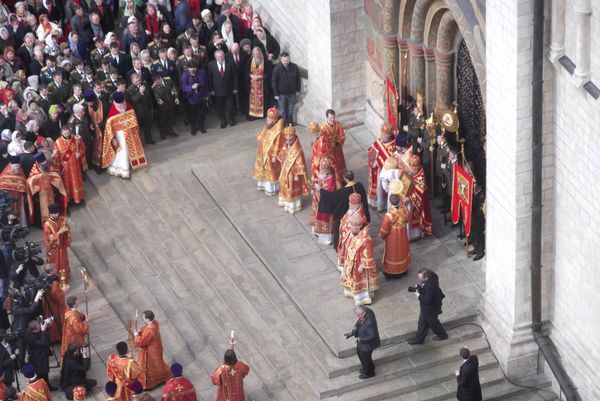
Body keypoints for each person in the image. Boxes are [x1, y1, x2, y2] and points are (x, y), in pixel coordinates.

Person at [318, 170, 370, 249]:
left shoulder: (343, 192)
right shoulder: (360, 185)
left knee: (344, 230)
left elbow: (332, 198)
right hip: (360, 213)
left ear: (345, 179)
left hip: (347, 215)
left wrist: (321, 191)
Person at [101, 91, 148, 178]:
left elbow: (133, 117)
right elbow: (109, 127)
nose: (122, 106)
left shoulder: (127, 104)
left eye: (123, 103)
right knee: (122, 150)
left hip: (129, 132)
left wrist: (133, 128)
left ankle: (129, 163)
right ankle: (123, 170)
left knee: (129, 149)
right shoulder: (112, 110)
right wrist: (113, 138)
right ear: (115, 102)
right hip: (119, 135)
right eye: (120, 104)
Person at [341, 213, 378, 305]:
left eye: (353, 227)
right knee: (350, 279)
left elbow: (368, 254)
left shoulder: (365, 239)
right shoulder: (351, 233)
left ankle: (362, 298)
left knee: (360, 281)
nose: (351, 228)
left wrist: (362, 265)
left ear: (359, 227)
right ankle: (350, 292)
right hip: (350, 261)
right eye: (351, 226)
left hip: (359, 264)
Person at [407, 268, 448, 345]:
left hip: (430, 309)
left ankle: (442, 335)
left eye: (420, 278)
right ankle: (419, 339)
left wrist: (418, 295)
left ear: (426, 278)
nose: (419, 279)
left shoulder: (430, 286)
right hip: (429, 308)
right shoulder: (432, 275)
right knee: (422, 323)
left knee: (433, 323)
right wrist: (420, 287)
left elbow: (427, 300)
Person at [134, 310, 170, 390]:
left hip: (150, 351)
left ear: (147, 319)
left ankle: (151, 383)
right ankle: (162, 376)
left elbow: (141, 342)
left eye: (143, 318)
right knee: (158, 363)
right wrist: (140, 330)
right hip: (156, 347)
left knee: (150, 366)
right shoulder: (155, 323)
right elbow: (145, 327)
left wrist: (136, 335)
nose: (143, 319)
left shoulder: (150, 330)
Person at [276, 125, 309, 214]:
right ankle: (285, 202)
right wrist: (283, 159)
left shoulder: (298, 150)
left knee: (291, 188)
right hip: (285, 170)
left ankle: (293, 206)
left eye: (290, 140)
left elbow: (300, 163)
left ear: (294, 138)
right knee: (284, 186)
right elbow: (282, 154)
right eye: (286, 139)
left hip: (294, 174)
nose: (288, 141)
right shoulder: (286, 145)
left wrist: (297, 174)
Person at [252, 107, 284, 196]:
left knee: (270, 170)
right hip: (263, 151)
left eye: (268, 118)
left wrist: (274, 156)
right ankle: (263, 184)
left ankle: (272, 188)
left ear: (273, 120)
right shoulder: (267, 126)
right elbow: (261, 136)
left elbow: (279, 145)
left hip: (270, 155)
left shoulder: (279, 130)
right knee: (262, 168)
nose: (266, 119)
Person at [379, 194, 411, 278]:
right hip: (403, 235)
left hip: (392, 237)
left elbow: (384, 230)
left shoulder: (388, 215)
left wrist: (382, 235)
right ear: (399, 201)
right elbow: (407, 220)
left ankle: (392, 272)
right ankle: (403, 269)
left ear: (390, 202)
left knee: (393, 254)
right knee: (402, 250)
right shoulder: (404, 209)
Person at [53, 126, 86, 204]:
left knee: (77, 181)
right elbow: (56, 155)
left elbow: (82, 147)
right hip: (66, 168)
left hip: (75, 166)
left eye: (68, 132)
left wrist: (79, 153)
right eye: (65, 133)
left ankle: (78, 197)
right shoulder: (58, 142)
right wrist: (55, 154)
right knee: (68, 183)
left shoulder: (75, 138)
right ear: (62, 133)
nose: (67, 134)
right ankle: (70, 199)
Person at [367, 122, 396, 212]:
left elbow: (391, 161)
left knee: (383, 188)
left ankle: (382, 205)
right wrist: (373, 162)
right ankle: (375, 203)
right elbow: (371, 152)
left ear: (389, 136)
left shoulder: (393, 145)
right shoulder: (379, 142)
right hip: (376, 170)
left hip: (385, 172)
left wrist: (379, 162)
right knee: (377, 187)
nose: (382, 138)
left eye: (385, 136)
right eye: (382, 135)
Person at [346, 306, 380, 379]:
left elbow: (372, 336)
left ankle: (369, 372)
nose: (357, 316)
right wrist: (352, 333)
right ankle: (367, 368)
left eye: (358, 315)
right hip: (362, 342)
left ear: (363, 313)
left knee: (365, 358)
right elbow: (359, 324)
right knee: (360, 354)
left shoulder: (369, 323)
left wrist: (361, 339)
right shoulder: (366, 311)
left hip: (367, 345)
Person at [337, 193, 368, 273]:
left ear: (359, 205)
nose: (351, 206)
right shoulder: (352, 210)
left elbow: (359, 228)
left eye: (353, 205)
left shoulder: (360, 215)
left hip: (352, 238)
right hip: (345, 236)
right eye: (350, 204)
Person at [207, 49, 238, 129]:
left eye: (221, 56)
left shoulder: (230, 63)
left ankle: (231, 120)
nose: (220, 58)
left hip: (229, 89)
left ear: (224, 55)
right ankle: (223, 121)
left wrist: (235, 88)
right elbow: (209, 78)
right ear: (215, 57)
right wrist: (211, 90)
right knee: (220, 107)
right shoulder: (211, 64)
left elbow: (235, 76)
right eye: (218, 57)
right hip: (217, 91)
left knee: (230, 106)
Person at [405, 153, 433, 240]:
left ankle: (416, 234)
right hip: (410, 200)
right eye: (410, 168)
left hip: (417, 203)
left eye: (412, 169)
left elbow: (419, 193)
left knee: (415, 217)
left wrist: (408, 198)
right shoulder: (413, 172)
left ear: (416, 168)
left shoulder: (421, 178)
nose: (410, 171)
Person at [310, 158, 336, 246]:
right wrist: (314, 188)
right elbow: (318, 181)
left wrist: (319, 189)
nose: (320, 174)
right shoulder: (323, 176)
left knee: (325, 220)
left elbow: (328, 195)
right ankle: (317, 231)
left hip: (325, 205)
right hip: (318, 203)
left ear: (327, 172)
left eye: (322, 173)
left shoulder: (331, 180)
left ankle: (326, 240)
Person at [24, 320, 57, 390]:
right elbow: (42, 342)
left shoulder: (34, 332)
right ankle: (42, 389)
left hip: (42, 356)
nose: (40, 328)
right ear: (34, 329)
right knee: (41, 374)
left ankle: (48, 386)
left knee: (45, 372)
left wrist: (47, 327)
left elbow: (43, 336)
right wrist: (43, 331)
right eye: (39, 328)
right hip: (38, 358)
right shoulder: (30, 337)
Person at [43, 203, 72, 281]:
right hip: (54, 248)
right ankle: (56, 278)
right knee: (56, 263)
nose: (56, 215)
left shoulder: (61, 219)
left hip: (62, 245)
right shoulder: (47, 224)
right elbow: (48, 238)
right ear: (51, 213)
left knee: (64, 261)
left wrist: (67, 229)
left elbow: (67, 228)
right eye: (54, 213)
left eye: (57, 213)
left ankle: (65, 277)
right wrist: (59, 232)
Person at [179, 61, 208, 135]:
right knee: (192, 114)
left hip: (201, 97)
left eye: (194, 67)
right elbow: (183, 87)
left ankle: (201, 126)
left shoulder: (202, 72)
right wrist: (191, 87)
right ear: (188, 68)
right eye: (191, 68)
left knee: (201, 113)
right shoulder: (184, 75)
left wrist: (206, 95)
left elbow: (205, 85)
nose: (193, 69)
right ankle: (193, 127)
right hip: (190, 98)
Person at [271, 52, 300, 126]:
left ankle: (290, 122)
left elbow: (298, 79)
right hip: (281, 94)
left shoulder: (294, 67)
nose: (286, 62)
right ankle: (283, 124)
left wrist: (298, 90)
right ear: (281, 60)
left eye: (287, 60)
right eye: (284, 60)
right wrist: (276, 94)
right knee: (282, 111)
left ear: (289, 59)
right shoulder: (277, 69)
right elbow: (274, 82)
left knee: (290, 110)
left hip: (292, 92)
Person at [126, 73, 156, 145]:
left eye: (138, 78)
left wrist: (151, 107)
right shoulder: (130, 89)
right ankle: (138, 143)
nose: (138, 79)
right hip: (138, 111)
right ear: (132, 80)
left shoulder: (144, 84)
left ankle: (149, 139)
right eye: (136, 78)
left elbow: (149, 97)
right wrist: (140, 92)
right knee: (138, 128)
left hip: (147, 109)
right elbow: (134, 100)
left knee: (148, 126)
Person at [321, 109, 346, 187]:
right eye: (331, 118)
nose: (333, 119)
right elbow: (323, 140)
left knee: (340, 164)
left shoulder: (338, 124)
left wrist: (337, 143)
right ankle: (332, 180)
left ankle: (341, 179)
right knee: (331, 164)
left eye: (334, 117)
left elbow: (342, 135)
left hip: (337, 148)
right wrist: (329, 144)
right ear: (327, 117)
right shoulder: (323, 127)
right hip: (329, 150)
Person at [245, 46, 272, 119]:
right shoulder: (250, 61)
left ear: (260, 53)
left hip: (263, 84)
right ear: (253, 54)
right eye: (255, 54)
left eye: (258, 54)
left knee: (264, 100)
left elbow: (269, 73)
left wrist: (261, 76)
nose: (257, 55)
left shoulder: (265, 61)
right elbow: (246, 72)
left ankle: (263, 115)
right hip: (252, 85)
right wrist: (251, 76)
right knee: (253, 101)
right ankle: (254, 115)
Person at [41, 263, 65, 344]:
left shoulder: (44, 277)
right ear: (51, 271)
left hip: (48, 302)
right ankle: (58, 337)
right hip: (54, 305)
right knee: (56, 319)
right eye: (54, 268)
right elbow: (56, 295)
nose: (56, 269)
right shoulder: (54, 282)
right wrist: (62, 294)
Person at [61, 296, 89, 364]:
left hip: (71, 334)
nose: (79, 302)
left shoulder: (70, 311)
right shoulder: (73, 317)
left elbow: (78, 315)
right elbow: (80, 329)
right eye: (77, 301)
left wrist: (83, 317)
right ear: (74, 304)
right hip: (74, 336)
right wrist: (86, 322)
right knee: (77, 350)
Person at [151, 73, 179, 140]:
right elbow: (156, 95)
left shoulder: (169, 81)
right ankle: (163, 133)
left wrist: (176, 97)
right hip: (163, 106)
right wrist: (158, 100)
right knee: (162, 120)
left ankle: (170, 131)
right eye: (155, 82)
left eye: (157, 81)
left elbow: (174, 89)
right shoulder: (154, 87)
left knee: (171, 118)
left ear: (160, 79)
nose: (156, 83)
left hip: (171, 103)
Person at [308, 120, 334, 185]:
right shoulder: (320, 134)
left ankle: (322, 184)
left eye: (314, 133)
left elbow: (321, 151)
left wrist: (317, 159)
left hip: (324, 158)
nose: (313, 134)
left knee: (317, 166)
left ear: (316, 131)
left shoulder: (323, 138)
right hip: (319, 155)